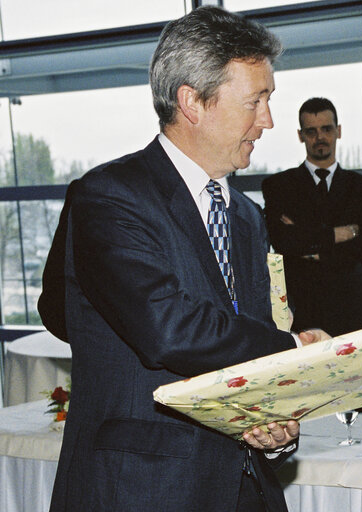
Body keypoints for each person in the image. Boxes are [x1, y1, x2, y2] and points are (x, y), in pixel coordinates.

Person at [37, 7, 328, 511]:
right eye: (254, 102)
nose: (269, 120)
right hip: (141, 490)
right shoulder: (109, 198)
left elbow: (244, 343)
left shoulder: (245, 216)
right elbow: (166, 327)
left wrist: (273, 424)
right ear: (192, 102)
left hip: (245, 490)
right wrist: (292, 347)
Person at [262, 97, 362, 337]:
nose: (319, 137)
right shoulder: (279, 186)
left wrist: (310, 242)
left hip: (356, 307)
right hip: (303, 307)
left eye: (326, 129)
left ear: (338, 131)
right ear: (300, 135)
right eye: (311, 131)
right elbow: (283, 242)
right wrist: (344, 233)